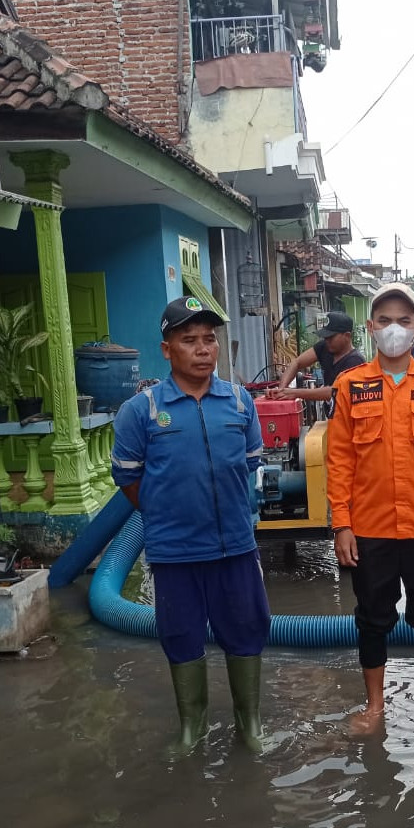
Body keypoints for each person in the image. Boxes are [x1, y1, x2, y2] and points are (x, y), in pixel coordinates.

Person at [111, 295, 271, 755]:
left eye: (209, 340)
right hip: (175, 551)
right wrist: (167, 513)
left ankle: (251, 725)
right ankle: (191, 729)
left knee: (246, 629)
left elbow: (248, 466)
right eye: (189, 340)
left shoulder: (239, 402)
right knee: (180, 635)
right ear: (167, 350)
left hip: (236, 547)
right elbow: (129, 479)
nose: (203, 349)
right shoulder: (141, 411)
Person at [326, 282, 414, 732]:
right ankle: (375, 707)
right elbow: (339, 461)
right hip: (370, 528)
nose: (394, 329)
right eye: (384, 320)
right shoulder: (350, 386)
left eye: (404, 321)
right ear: (370, 328)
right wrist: (341, 525)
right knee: (371, 617)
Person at [268, 310, 364, 409]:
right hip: (333, 418)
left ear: (347, 336)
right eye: (325, 337)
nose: (327, 341)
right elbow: (297, 363)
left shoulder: (355, 361)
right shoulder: (325, 347)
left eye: (331, 337)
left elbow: (335, 391)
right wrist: (281, 390)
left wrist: (295, 393)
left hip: (349, 420)